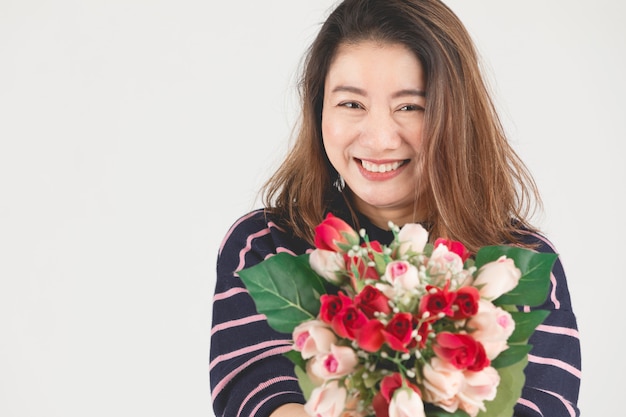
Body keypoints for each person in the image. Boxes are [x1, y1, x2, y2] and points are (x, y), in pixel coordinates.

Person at [209, 0, 581, 416]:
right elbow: (259, 397)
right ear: (318, 110)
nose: (380, 138)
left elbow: (544, 405)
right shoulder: (264, 246)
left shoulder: (519, 264)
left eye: (411, 107)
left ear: (455, 116)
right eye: (351, 104)